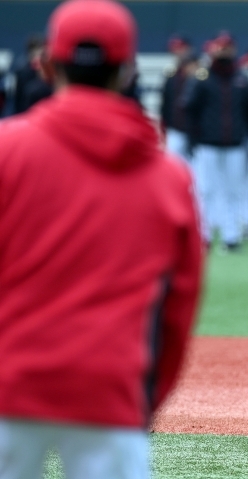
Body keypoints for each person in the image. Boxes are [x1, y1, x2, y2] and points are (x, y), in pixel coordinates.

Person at [0, 0, 203, 477]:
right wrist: (141, 403)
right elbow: (178, 312)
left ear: (47, 65)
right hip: (109, 392)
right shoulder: (168, 177)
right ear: (130, 71)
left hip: (8, 384)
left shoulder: (7, 151)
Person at [183, 31, 248, 251]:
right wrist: (194, 135)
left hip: (235, 143)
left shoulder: (241, 78)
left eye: (228, 47)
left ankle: (231, 237)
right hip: (208, 143)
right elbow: (188, 106)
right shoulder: (203, 77)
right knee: (206, 190)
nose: (224, 51)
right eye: (220, 46)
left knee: (234, 190)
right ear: (213, 48)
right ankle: (203, 236)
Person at [160, 33, 197, 160]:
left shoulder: (202, 73)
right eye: (175, 49)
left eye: (181, 48)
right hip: (175, 129)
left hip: (196, 131)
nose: (178, 52)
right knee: (172, 162)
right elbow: (166, 102)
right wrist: (164, 125)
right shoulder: (171, 74)